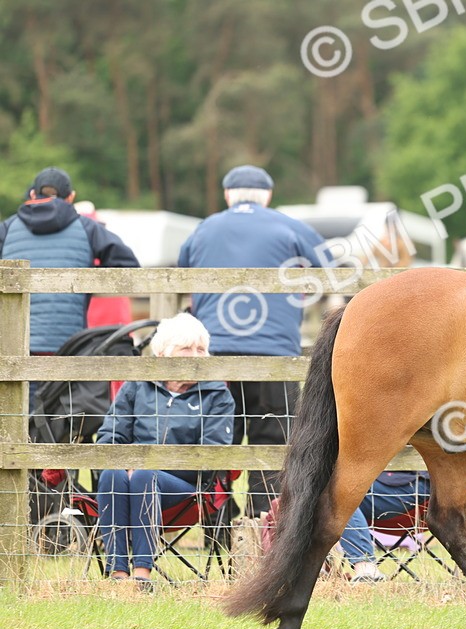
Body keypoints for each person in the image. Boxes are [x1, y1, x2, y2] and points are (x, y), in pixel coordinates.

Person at [178, 165, 324, 517]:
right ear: (268, 197)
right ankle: (263, 530)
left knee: (217, 441)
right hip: (274, 353)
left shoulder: (203, 229)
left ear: (228, 195)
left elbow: (181, 274)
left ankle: (219, 528)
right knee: (273, 445)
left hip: (217, 355)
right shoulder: (291, 227)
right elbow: (329, 269)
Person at [94, 313, 235, 588]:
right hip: (130, 478)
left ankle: (142, 575)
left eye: (201, 349)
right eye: (186, 348)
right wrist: (128, 464)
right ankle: (118, 575)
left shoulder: (217, 394)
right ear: (162, 353)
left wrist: (147, 465)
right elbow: (110, 438)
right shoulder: (136, 386)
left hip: (186, 488)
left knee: (145, 475)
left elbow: (213, 454)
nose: (196, 355)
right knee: (112, 474)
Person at [0, 168, 139, 419]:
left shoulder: (7, 229)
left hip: (15, 347)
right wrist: (88, 283)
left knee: (16, 423)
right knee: (59, 425)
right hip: (69, 346)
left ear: (32, 194)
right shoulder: (87, 228)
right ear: (71, 197)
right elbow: (128, 265)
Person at [337, 471, 433, 582]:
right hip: (413, 489)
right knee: (327, 485)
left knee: (336, 489)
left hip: (413, 485)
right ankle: (321, 570)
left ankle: (366, 568)